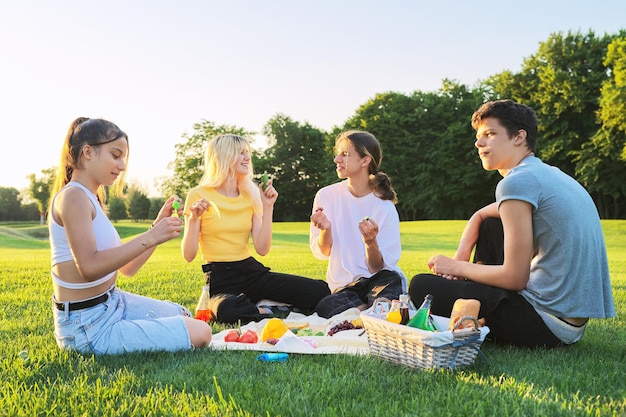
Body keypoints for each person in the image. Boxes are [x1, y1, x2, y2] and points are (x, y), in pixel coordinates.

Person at [408, 99, 615, 348]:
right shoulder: (547, 174)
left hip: (546, 324)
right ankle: (471, 298)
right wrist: (473, 226)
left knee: (421, 285)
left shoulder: (516, 182)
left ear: (519, 137)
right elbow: (485, 214)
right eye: (478, 136)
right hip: (570, 322)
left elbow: (515, 278)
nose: (478, 142)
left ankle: (470, 301)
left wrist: (456, 267)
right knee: (490, 224)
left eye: (490, 134)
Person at [49, 117, 212, 355]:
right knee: (202, 333)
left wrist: (156, 228)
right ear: (87, 152)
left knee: (183, 314)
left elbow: (127, 269)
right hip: (88, 326)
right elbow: (89, 267)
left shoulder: (91, 197)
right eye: (115, 155)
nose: (122, 165)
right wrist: (153, 236)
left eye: (123, 157)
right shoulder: (72, 197)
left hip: (112, 302)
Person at [181, 134, 330, 324]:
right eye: (241, 153)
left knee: (320, 291)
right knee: (227, 310)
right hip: (222, 279)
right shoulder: (198, 194)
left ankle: (259, 304)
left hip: (252, 272)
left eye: (247, 153)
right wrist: (194, 219)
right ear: (223, 156)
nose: (247, 157)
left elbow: (262, 248)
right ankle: (261, 306)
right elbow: (188, 255)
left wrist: (268, 207)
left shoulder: (250, 194)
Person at [310, 130, 406, 318]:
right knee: (325, 308)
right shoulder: (325, 196)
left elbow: (377, 268)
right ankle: (374, 311)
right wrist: (325, 231)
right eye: (338, 153)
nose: (337, 159)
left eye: (345, 154)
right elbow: (322, 253)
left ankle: (371, 310)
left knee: (390, 282)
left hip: (380, 280)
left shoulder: (384, 207)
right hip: (346, 287)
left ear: (365, 160)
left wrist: (371, 243)